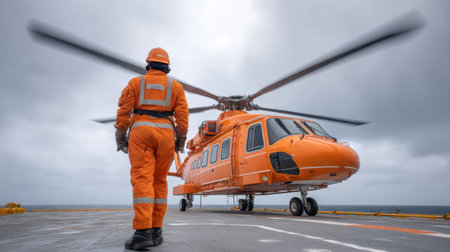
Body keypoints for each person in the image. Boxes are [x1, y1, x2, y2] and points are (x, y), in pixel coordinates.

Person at [114, 47, 189, 250]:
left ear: (148, 65)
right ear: (167, 67)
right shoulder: (177, 87)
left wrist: (121, 137)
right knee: (160, 181)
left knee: (142, 180)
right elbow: (182, 119)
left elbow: (123, 112)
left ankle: (142, 233)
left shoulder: (135, 83)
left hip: (141, 134)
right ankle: (156, 231)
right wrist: (180, 142)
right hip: (166, 137)